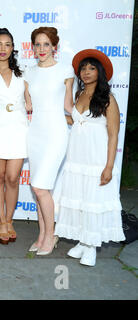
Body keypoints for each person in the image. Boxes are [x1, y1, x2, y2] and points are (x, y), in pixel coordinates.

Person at [53, 49, 125, 266]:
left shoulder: (108, 99)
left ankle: (91, 246)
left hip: (96, 161)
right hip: (77, 159)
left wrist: (109, 166)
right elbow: (77, 122)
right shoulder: (79, 95)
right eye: (83, 68)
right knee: (80, 200)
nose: (86, 72)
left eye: (91, 68)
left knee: (93, 201)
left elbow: (113, 135)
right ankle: (83, 242)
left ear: (100, 72)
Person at [24, 27, 74, 255]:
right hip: (35, 134)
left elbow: (68, 105)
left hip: (56, 133)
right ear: (32, 47)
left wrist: (91, 119)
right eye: (37, 44)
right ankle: (42, 234)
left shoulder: (66, 70)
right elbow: (27, 105)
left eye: (46, 44)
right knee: (39, 190)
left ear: (55, 46)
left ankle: (51, 235)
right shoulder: (28, 72)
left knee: (40, 187)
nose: (41, 49)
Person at [0, 28, 28, 245]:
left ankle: (10, 219)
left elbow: (31, 102)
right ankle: (1, 222)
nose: (3, 48)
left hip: (18, 128)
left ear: (13, 48)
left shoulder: (24, 73)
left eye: (7, 44)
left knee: (12, 177)